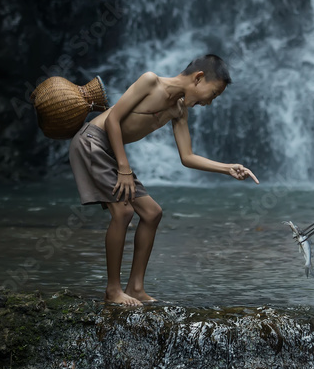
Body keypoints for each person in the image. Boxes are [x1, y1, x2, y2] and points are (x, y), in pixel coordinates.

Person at [68, 54, 259, 306]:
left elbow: (187, 157)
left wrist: (227, 168)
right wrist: (124, 168)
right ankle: (113, 291)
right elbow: (113, 119)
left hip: (111, 153)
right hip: (92, 141)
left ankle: (135, 287)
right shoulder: (150, 82)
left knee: (152, 213)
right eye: (212, 95)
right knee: (123, 213)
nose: (209, 103)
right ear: (199, 78)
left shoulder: (178, 111)